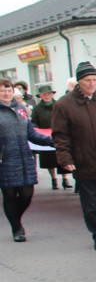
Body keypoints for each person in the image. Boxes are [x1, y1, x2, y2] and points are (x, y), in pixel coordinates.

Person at [51, 61, 96, 252]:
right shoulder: (64, 104)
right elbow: (60, 135)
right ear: (79, 81)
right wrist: (65, 158)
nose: (92, 84)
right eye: (87, 80)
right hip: (83, 158)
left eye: (94, 79)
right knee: (90, 201)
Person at [0, 78, 53, 242]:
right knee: (9, 195)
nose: (6, 93)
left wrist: (54, 140)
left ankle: (15, 218)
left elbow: (31, 134)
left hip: (24, 158)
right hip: (5, 159)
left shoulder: (20, 109)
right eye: (2, 90)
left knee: (27, 194)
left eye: (9, 90)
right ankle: (17, 228)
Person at [31, 84, 73, 191]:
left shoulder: (58, 105)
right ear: (40, 96)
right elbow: (33, 122)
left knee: (62, 157)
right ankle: (54, 179)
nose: (47, 96)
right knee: (49, 159)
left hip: (58, 133)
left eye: (49, 94)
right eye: (44, 94)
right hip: (45, 136)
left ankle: (65, 179)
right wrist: (38, 130)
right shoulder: (37, 109)